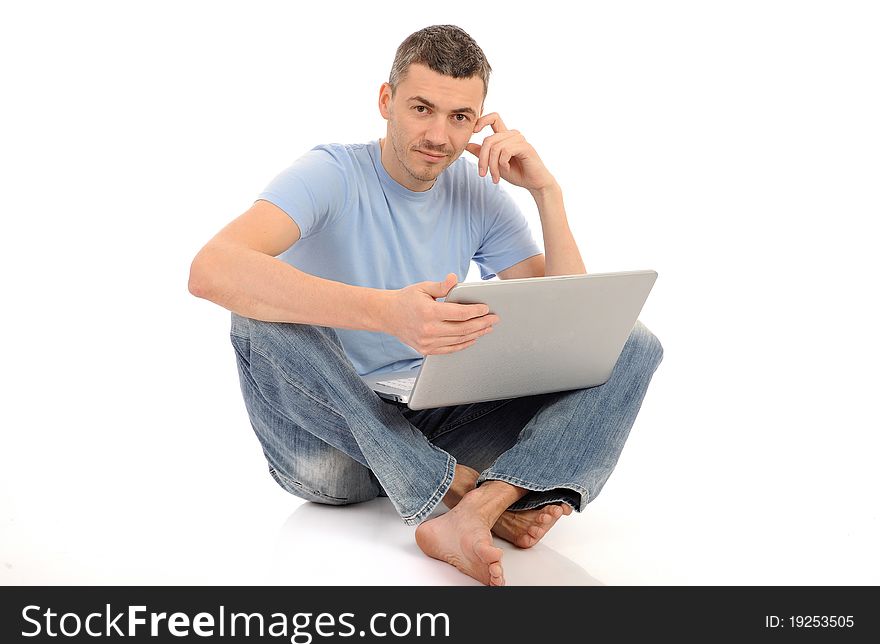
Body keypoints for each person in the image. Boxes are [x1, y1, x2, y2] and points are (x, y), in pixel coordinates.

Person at [188, 24, 664, 586]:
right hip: (331, 447)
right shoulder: (331, 174)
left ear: (480, 120)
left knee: (630, 342)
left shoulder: (478, 192)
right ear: (386, 102)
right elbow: (210, 268)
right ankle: (461, 488)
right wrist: (387, 313)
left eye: (460, 117)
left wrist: (546, 195)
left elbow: (577, 332)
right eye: (421, 108)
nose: (439, 134)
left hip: (433, 423)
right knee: (254, 318)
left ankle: (479, 511)